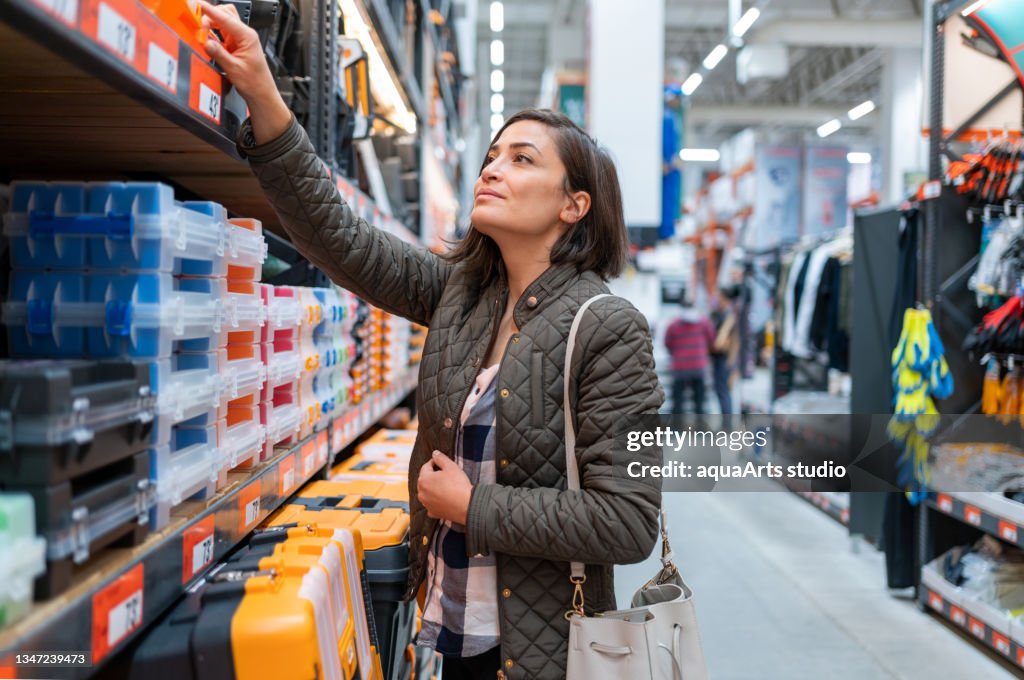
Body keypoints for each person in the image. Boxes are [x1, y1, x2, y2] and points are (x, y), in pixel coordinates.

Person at [198, 4, 665, 678]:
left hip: (542, 656)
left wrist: (475, 508)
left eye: (521, 159)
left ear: (575, 205)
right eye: (490, 157)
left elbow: (627, 522)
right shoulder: (464, 296)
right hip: (450, 633)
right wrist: (265, 97)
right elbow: (344, 240)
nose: (491, 170)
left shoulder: (608, 328)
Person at [664, 294, 715, 414]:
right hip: (698, 365)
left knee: (678, 401)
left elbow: (667, 343)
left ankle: (677, 429)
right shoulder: (703, 322)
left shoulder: (673, 324)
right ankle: (700, 429)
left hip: (680, 366)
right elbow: (711, 339)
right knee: (699, 401)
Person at [709, 291, 740, 428]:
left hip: (724, 360)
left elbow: (720, 343)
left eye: (719, 298)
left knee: (724, 392)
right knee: (722, 392)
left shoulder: (729, 317)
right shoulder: (721, 315)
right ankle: (726, 424)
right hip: (720, 359)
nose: (717, 300)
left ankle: (727, 426)